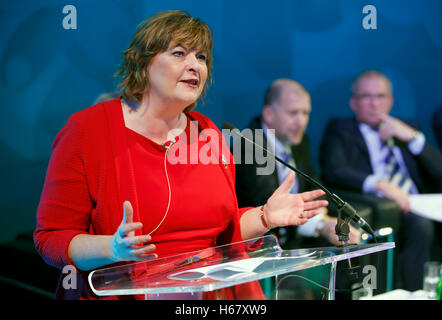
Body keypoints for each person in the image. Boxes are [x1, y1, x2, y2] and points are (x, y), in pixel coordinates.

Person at [34, 11, 328, 300]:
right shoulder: (88, 130)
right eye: (179, 53)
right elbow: (51, 239)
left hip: (214, 293)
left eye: (201, 58)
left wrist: (264, 217)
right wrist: (111, 248)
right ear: (142, 62)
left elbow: (222, 236)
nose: (195, 66)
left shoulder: (207, 131)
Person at [319, 70, 442, 291]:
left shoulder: (408, 128)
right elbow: (335, 170)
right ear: (353, 102)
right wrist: (380, 184)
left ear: (391, 101)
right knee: (420, 226)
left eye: (381, 96)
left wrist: (413, 139)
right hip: (385, 207)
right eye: (366, 97)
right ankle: (417, 294)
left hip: (420, 202)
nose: (374, 103)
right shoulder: (341, 129)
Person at [234, 79, 360, 249]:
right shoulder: (249, 145)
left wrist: (322, 216)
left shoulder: (299, 140)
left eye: (305, 113)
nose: (301, 122)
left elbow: (314, 186)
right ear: (269, 114)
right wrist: (318, 224)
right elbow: (267, 203)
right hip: (263, 243)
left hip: (294, 236)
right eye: (293, 113)